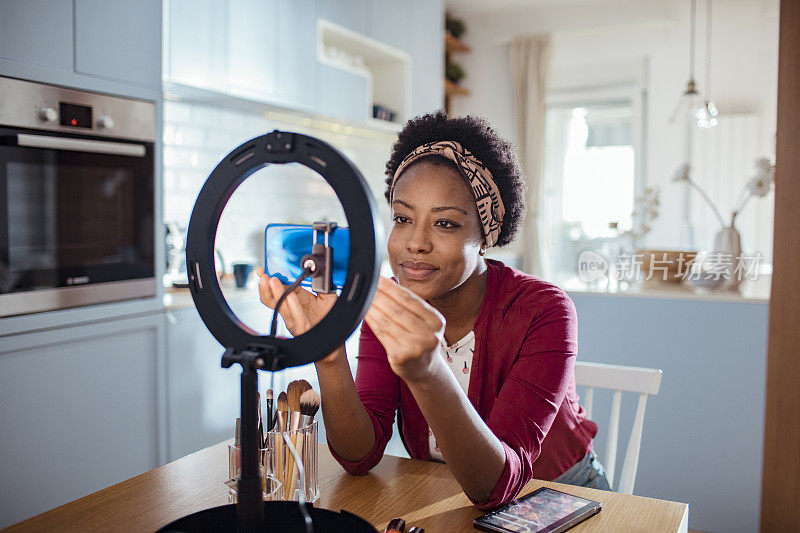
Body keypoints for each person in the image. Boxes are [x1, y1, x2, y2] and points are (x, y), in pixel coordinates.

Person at [257, 111, 609, 509]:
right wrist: (329, 351)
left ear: (485, 237)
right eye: (403, 219)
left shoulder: (545, 310)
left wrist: (428, 371)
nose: (415, 243)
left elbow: (496, 484)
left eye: (445, 224)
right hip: (445, 493)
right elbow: (360, 455)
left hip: (562, 494)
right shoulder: (390, 302)